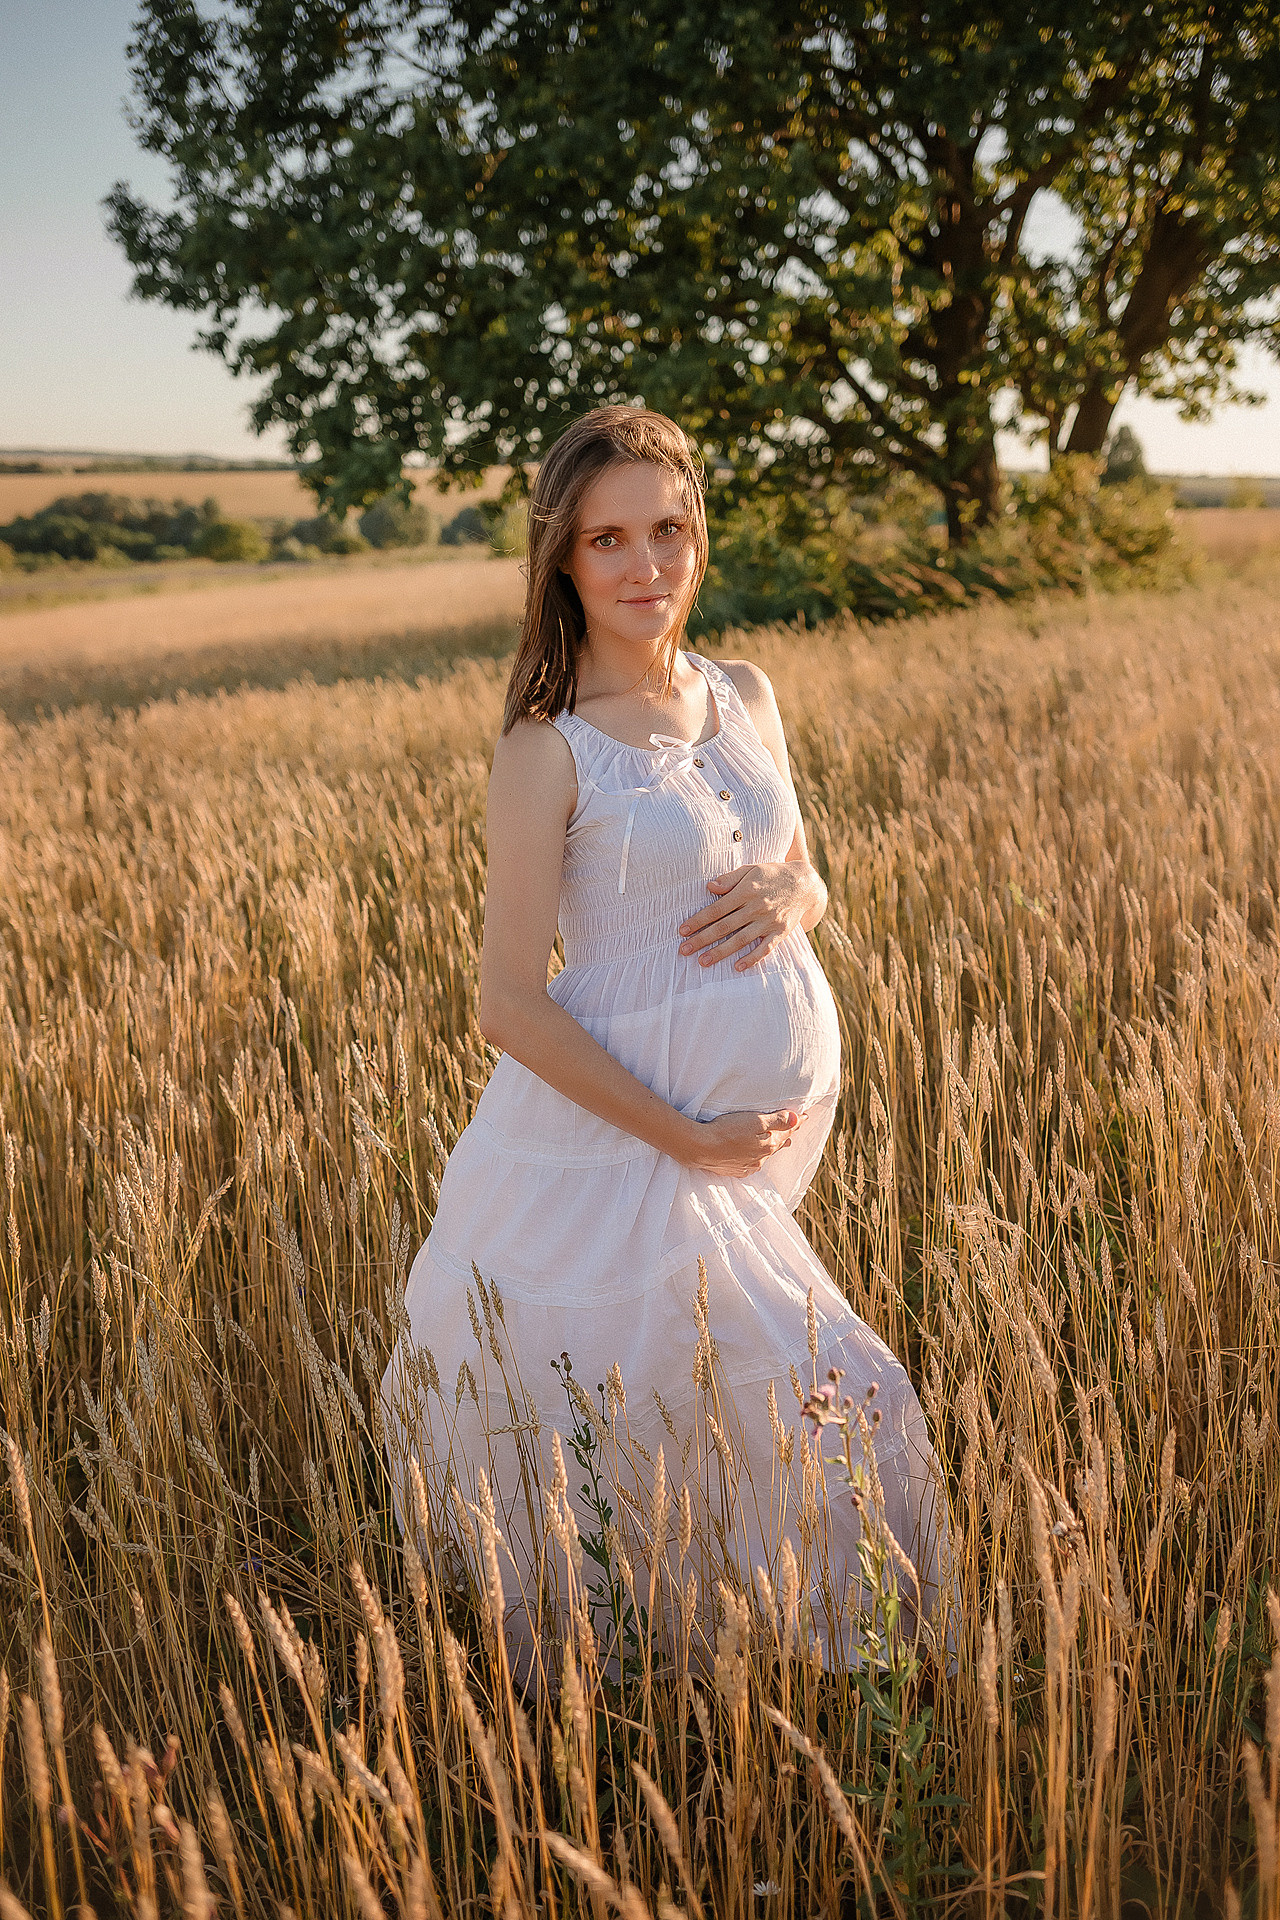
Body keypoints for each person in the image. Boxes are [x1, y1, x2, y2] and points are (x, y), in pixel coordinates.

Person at [380, 405, 952, 1665]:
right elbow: (507, 1002)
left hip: (741, 1149)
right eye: (608, 540)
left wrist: (802, 897)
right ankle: (671, 1687)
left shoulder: (743, 692)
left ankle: (764, 1686)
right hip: (621, 1152)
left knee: (738, 1415)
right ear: (562, 563)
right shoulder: (547, 751)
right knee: (786, 1405)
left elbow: (791, 867)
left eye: (669, 530)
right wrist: (687, 1136)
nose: (648, 566)